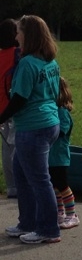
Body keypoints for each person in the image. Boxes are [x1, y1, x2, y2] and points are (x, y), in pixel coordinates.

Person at [1, 15, 61, 244]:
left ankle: (48, 229)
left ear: (28, 35)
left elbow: (19, 99)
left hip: (33, 128)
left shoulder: (27, 63)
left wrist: (1, 118)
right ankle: (27, 222)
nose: (16, 37)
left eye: (19, 32)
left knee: (39, 180)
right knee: (21, 173)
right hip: (49, 123)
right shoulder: (49, 61)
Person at [50, 77, 79, 229]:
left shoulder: (62, 112)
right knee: (54, 185)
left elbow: (62, 131)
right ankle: (60, 212)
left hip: (59, 156)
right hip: (51, 156)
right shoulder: (55, 111)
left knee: (62, 185)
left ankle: (72, 214)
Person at [0, 19, 19, 198]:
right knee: (18, 146)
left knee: (6, 148)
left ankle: (11, 187)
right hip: (14, 106)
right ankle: (21, 185)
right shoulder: (17, 54)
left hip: (1, 108)